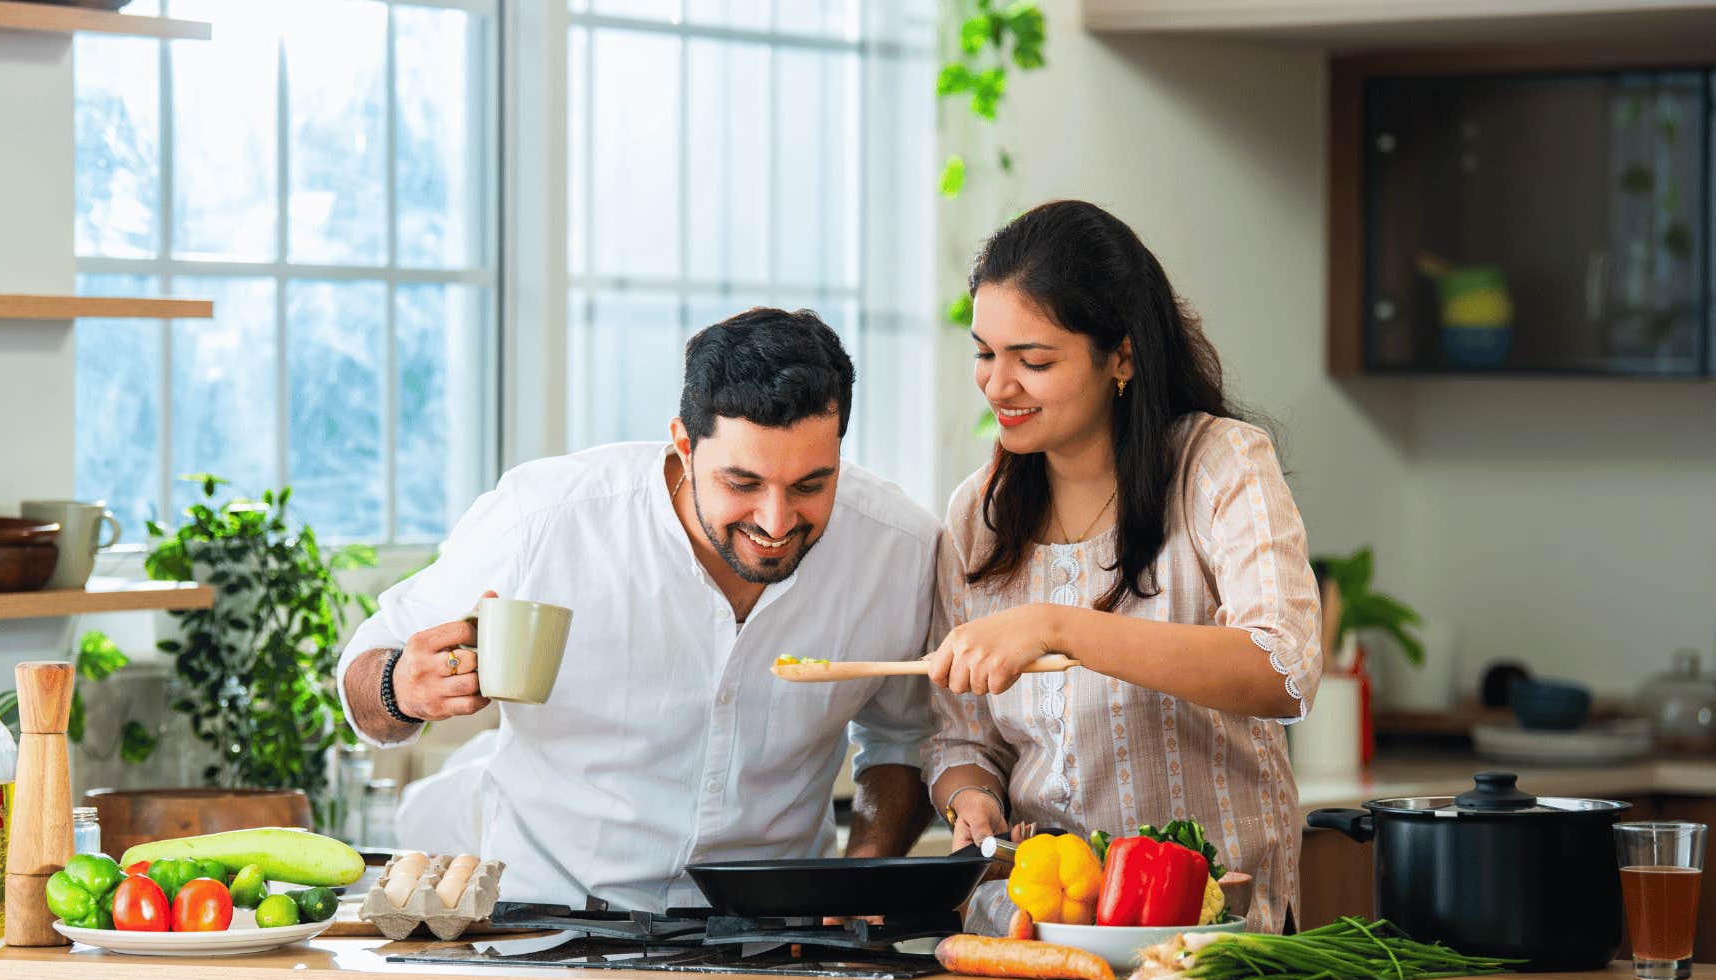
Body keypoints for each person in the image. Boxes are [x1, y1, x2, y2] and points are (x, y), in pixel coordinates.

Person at [337, 308, 940, 912]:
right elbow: (364, 678)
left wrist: (861, 881)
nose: (776, 521)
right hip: (545, 915)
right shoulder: (544, 517)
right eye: (741, 483)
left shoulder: (899, 549)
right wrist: (400, 688)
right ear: (683, 443)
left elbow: (902, 741)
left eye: (811, 485)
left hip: (776, 927)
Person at [924, 201, 1322, 934]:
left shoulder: (1219, 465)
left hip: (1215, 928)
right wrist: (969, 796)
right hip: (1042, 924)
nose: (997, 385)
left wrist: (1057, 628)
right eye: (985, 353)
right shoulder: (975, 515)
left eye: (1033, 361)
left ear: (1124, 357)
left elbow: (1284, 668)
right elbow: (961, 737)